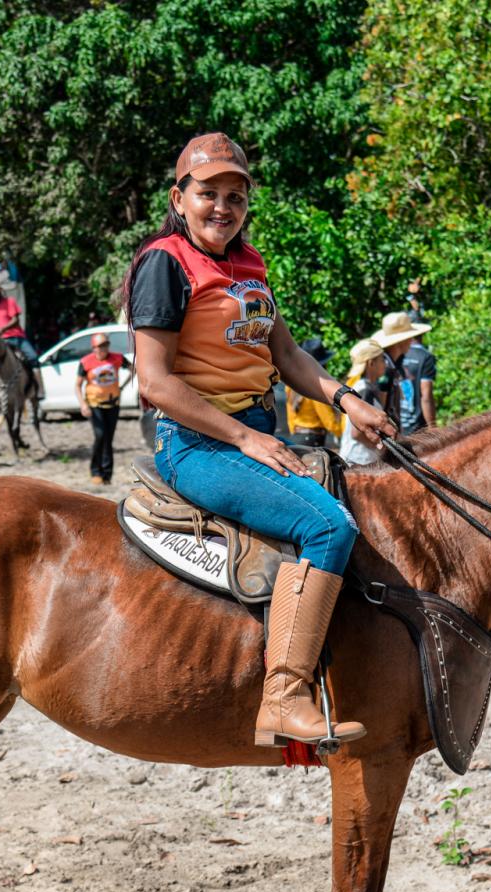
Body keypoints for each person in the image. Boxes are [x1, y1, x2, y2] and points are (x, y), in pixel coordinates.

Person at [125, 131, 395, 748]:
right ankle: (284, 697)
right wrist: (245, 440)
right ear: (179, 197)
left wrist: (348, 401)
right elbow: (156, 383)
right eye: (208, 193)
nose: (222, 207)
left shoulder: (250, 265)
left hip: (254, 430)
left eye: (235, 196)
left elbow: (290, 355)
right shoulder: (165, 263)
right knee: (329, 527)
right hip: (198, 444)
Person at [75, 333, 132, 484]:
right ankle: (95, 471)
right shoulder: (86, 362)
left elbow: (134, 369)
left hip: (113, 404)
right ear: (93, 348)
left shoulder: (117, 358)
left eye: (105, 345)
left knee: (109, 439)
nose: (103, 349)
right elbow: (77, 385)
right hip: (94, 405)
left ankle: (107, 475)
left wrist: (122, 387)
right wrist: (83, 404)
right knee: (100, 435)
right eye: (99, 346)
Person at [374, 310, 435, 435]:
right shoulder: (385, 369)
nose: (411, 340)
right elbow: (381, 407)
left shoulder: (395, 364)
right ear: (401, 341)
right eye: (409, 337)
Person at [339, 339, 388, 466]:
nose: (385, 364)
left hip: (359, 458)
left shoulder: (361, 387)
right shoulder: (364, 390)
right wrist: (382, 447)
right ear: (371, 363)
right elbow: (357, 433)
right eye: (382, 359)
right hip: (358, 460)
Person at [286, 338, 342, 446]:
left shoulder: (291, 386)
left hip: (296, 437)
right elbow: (329, 422)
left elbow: (290, 417)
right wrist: (341, 430)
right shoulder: (316, 386)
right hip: (312, 439)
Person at [0, 279, 40, 378]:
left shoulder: (9, 302)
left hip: (16, 338)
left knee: (33, 357)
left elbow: (15, 320)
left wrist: (3, 329)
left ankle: (38, 385)